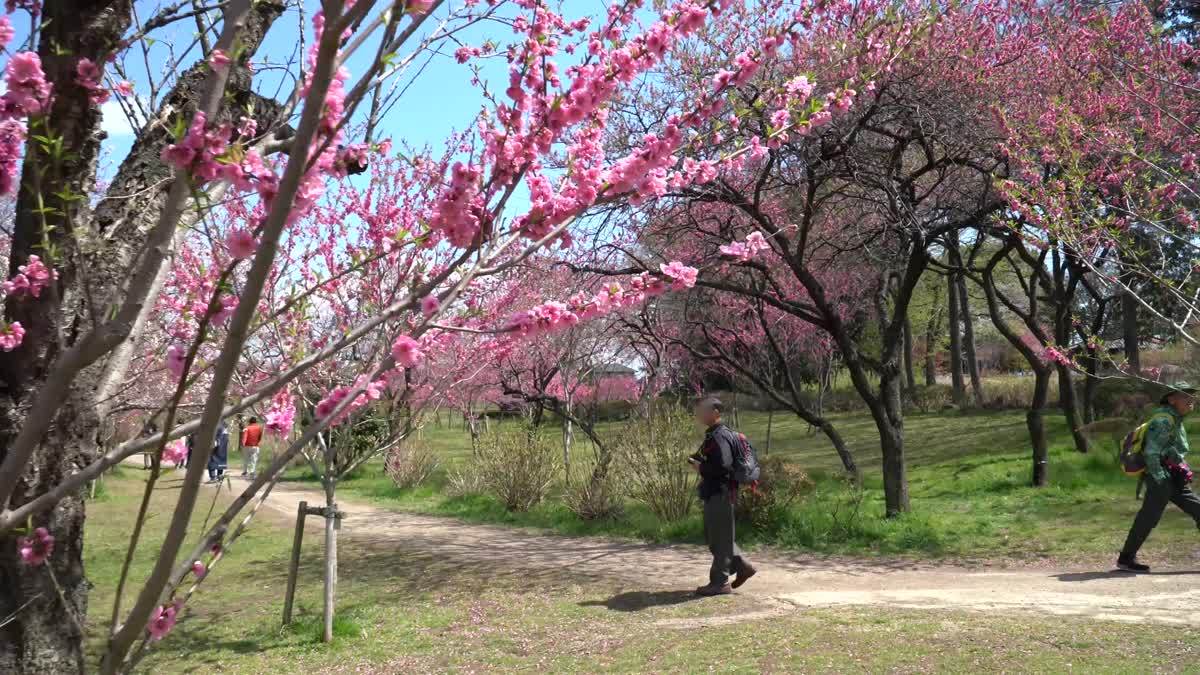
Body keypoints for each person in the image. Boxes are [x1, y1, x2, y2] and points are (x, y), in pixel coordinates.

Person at [1118, 381, 1200, 572]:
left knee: (1197, 509)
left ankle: (1125, 558)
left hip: (1171, 475)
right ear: (1171, 399)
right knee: (1149, 517)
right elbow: (1151, 453)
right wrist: (1160, 478)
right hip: (1161, 476)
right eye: (1185, 396)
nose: (1191, 400)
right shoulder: (1163, 420)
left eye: (1192, 396)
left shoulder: (1175, 418)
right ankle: (1126, 558)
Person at [689, 397, 756, 596]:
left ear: (716, 412)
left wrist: (701, 467)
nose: (699, 414)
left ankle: (720, 582)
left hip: (722, 491)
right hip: (716, 491)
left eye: (704, 410)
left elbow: (723, 465)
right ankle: (742, 566)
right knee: (715, 537)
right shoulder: (715, 434)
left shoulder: (720, 436)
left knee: (720, 539)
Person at [207, 420, 229, 484]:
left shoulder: (217, 425)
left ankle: (213, 477)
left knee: (212, 460)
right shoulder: (224, 427)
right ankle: (219, 477)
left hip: (217, 443)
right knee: (220, 460)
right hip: (222, 444)